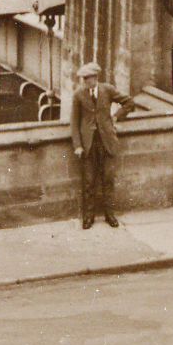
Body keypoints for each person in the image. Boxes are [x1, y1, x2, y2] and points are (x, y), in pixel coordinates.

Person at [70, 61, 134, 229]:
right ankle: (88, 217)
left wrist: (116, 117)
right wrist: (78, 145)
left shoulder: (107, 90)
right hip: (88, 144)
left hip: (107, 142)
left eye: (87, 78)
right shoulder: (78, 95)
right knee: (88, 182)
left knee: (108, 180)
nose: (84, 82)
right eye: (83, 79)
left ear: (95, 78)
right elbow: (74, 123)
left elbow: (129, 103)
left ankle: (110, 215)